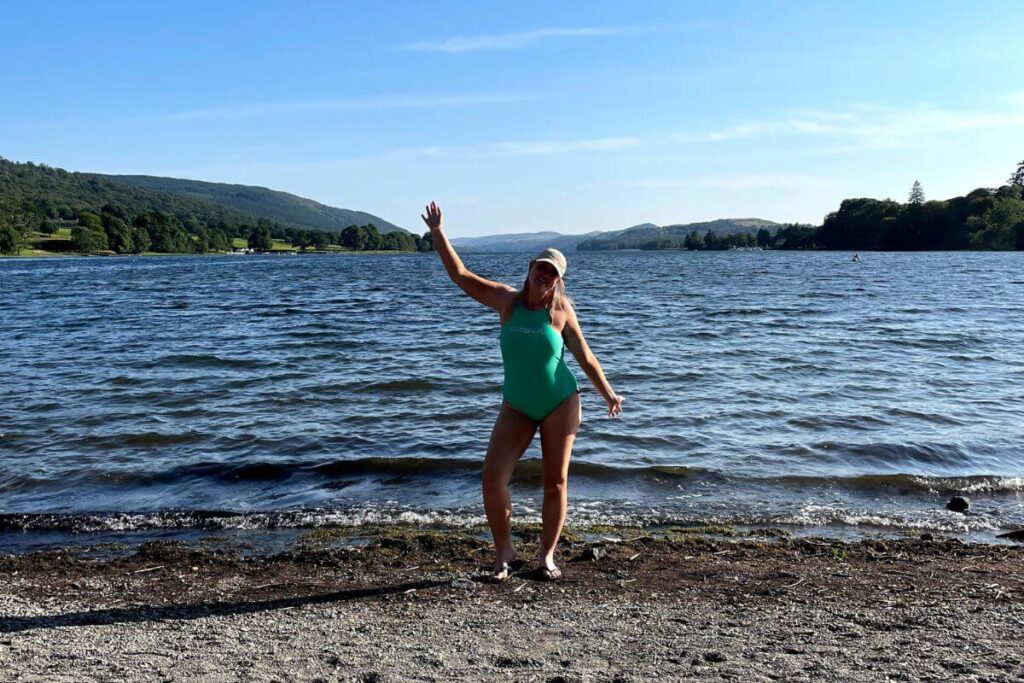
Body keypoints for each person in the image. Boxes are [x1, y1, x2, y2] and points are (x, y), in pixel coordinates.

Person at [421, 201, 623, 582]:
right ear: (530, 268)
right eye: (540, 267)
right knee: (492, 476)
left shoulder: (562, 312)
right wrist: (438, 232)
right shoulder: (506, 301)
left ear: (558, 279)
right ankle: (504, 554)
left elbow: (587, 358)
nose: (544, 275)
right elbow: (461, 275)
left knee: (555, 481)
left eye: (552, 272)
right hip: (517, 404)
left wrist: (609, 395)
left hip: (560, 401)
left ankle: (546, 556)